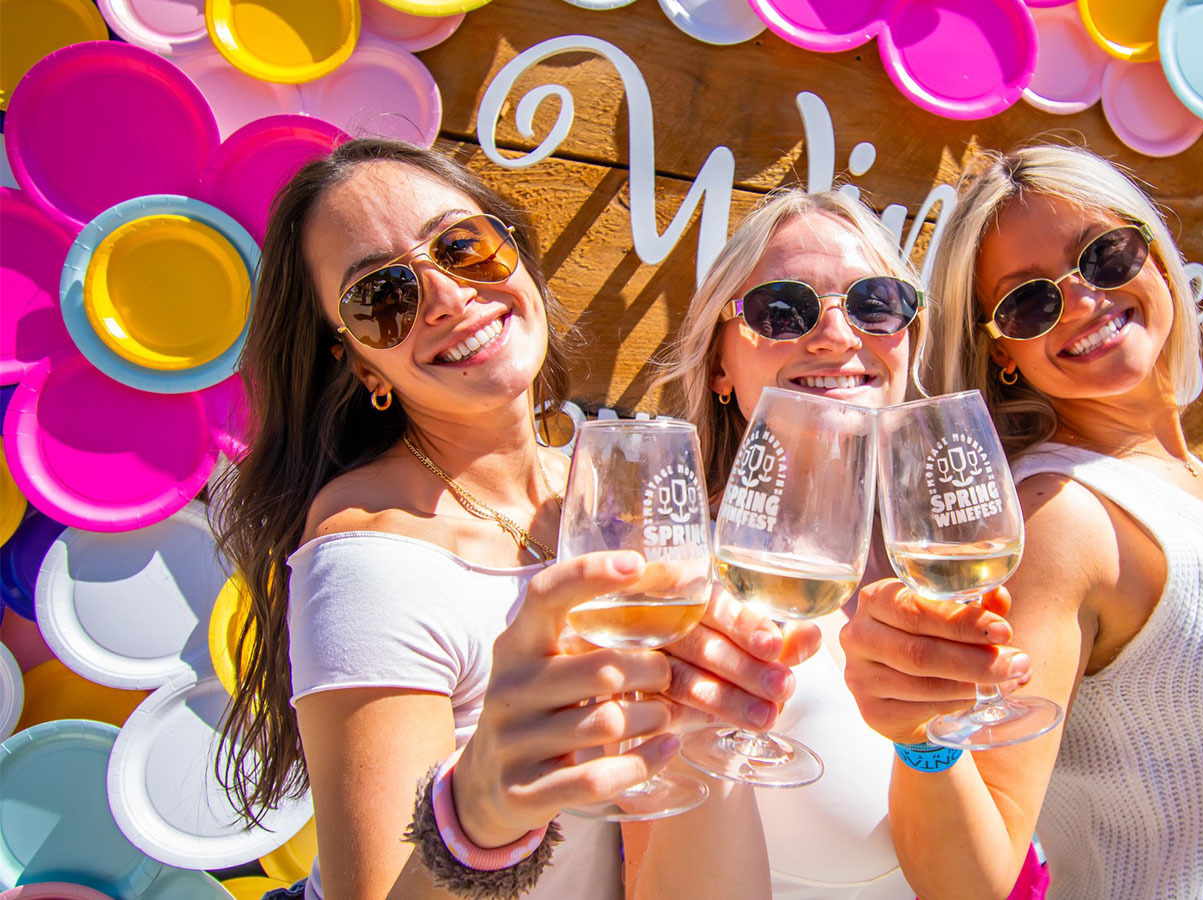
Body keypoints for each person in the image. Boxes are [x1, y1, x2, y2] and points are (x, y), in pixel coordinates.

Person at [840, 144, 1203, 899]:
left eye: (1105, 254)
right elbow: (968, 882)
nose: (1082, 298)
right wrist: (925, 743)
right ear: (1005, 353)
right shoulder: (1062, 519)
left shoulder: (1196, 484)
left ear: (1153, 253)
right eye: (1031, 302)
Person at [212, 139, 790, 900]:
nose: (447, 297)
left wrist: (701, 726)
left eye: (463, 246)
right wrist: (474, 817)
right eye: (383, 298)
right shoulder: (373, 553)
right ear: (358, 362)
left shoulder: (600, 483)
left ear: (513, 250)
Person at [640, 187, 977, 900]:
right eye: (782, 311)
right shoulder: (676, 594)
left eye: (875, 303)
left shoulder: (955, 566)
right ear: (720, 367)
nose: (835, 337)